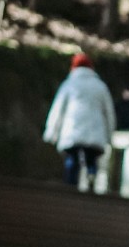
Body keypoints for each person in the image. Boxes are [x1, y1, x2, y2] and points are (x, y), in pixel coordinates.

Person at [42, 50, 116, 189]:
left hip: (72, 130)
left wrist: (51, 132)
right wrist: (110, 135)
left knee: (72, 160)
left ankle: (71, 188)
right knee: (91, 159)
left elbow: (58, 109)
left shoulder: (69, 84)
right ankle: (91, 179)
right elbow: (109, 113)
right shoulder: (100, 86)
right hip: (95, 131)